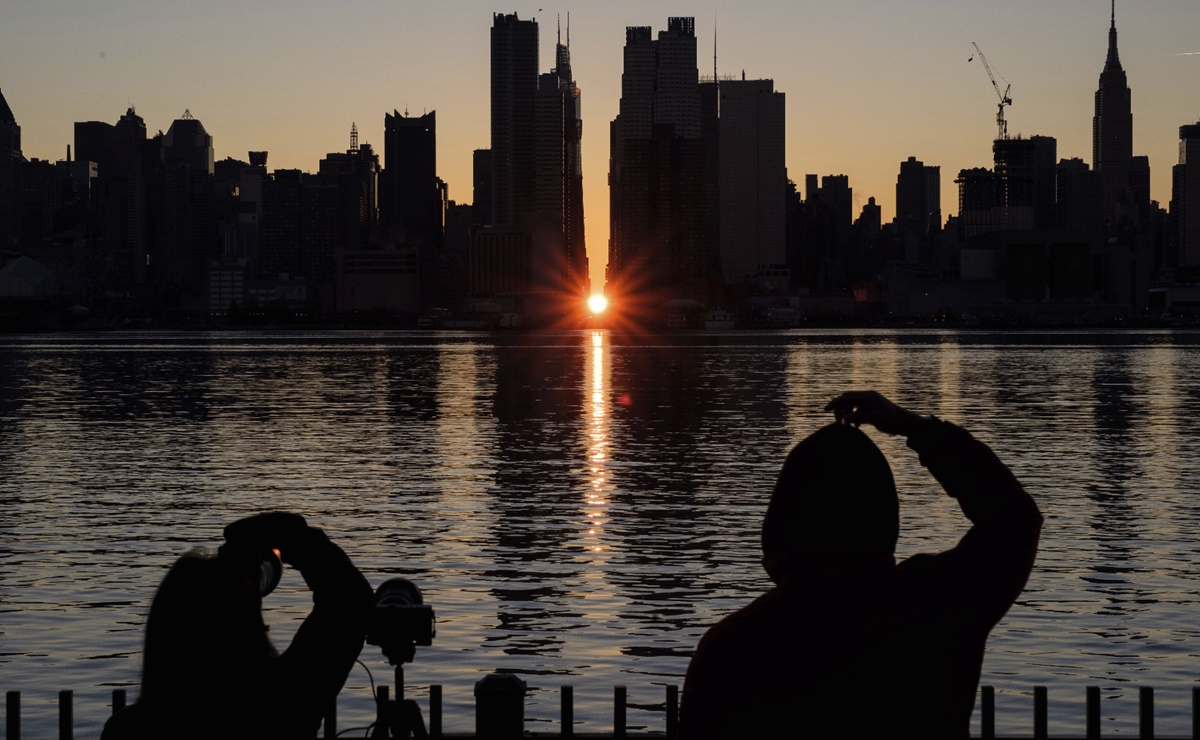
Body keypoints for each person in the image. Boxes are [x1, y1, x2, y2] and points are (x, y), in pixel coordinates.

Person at [678, 391, 1042, 739]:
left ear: (784, 520)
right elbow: (1013, 518)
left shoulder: (736, 647)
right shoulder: (939, 604)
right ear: (884, 516)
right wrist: (914, 427)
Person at [102, 512, 374, 740]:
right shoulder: (279, 707)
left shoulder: (127, 730)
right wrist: (293, 535)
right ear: (248, 629)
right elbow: (349, 602)